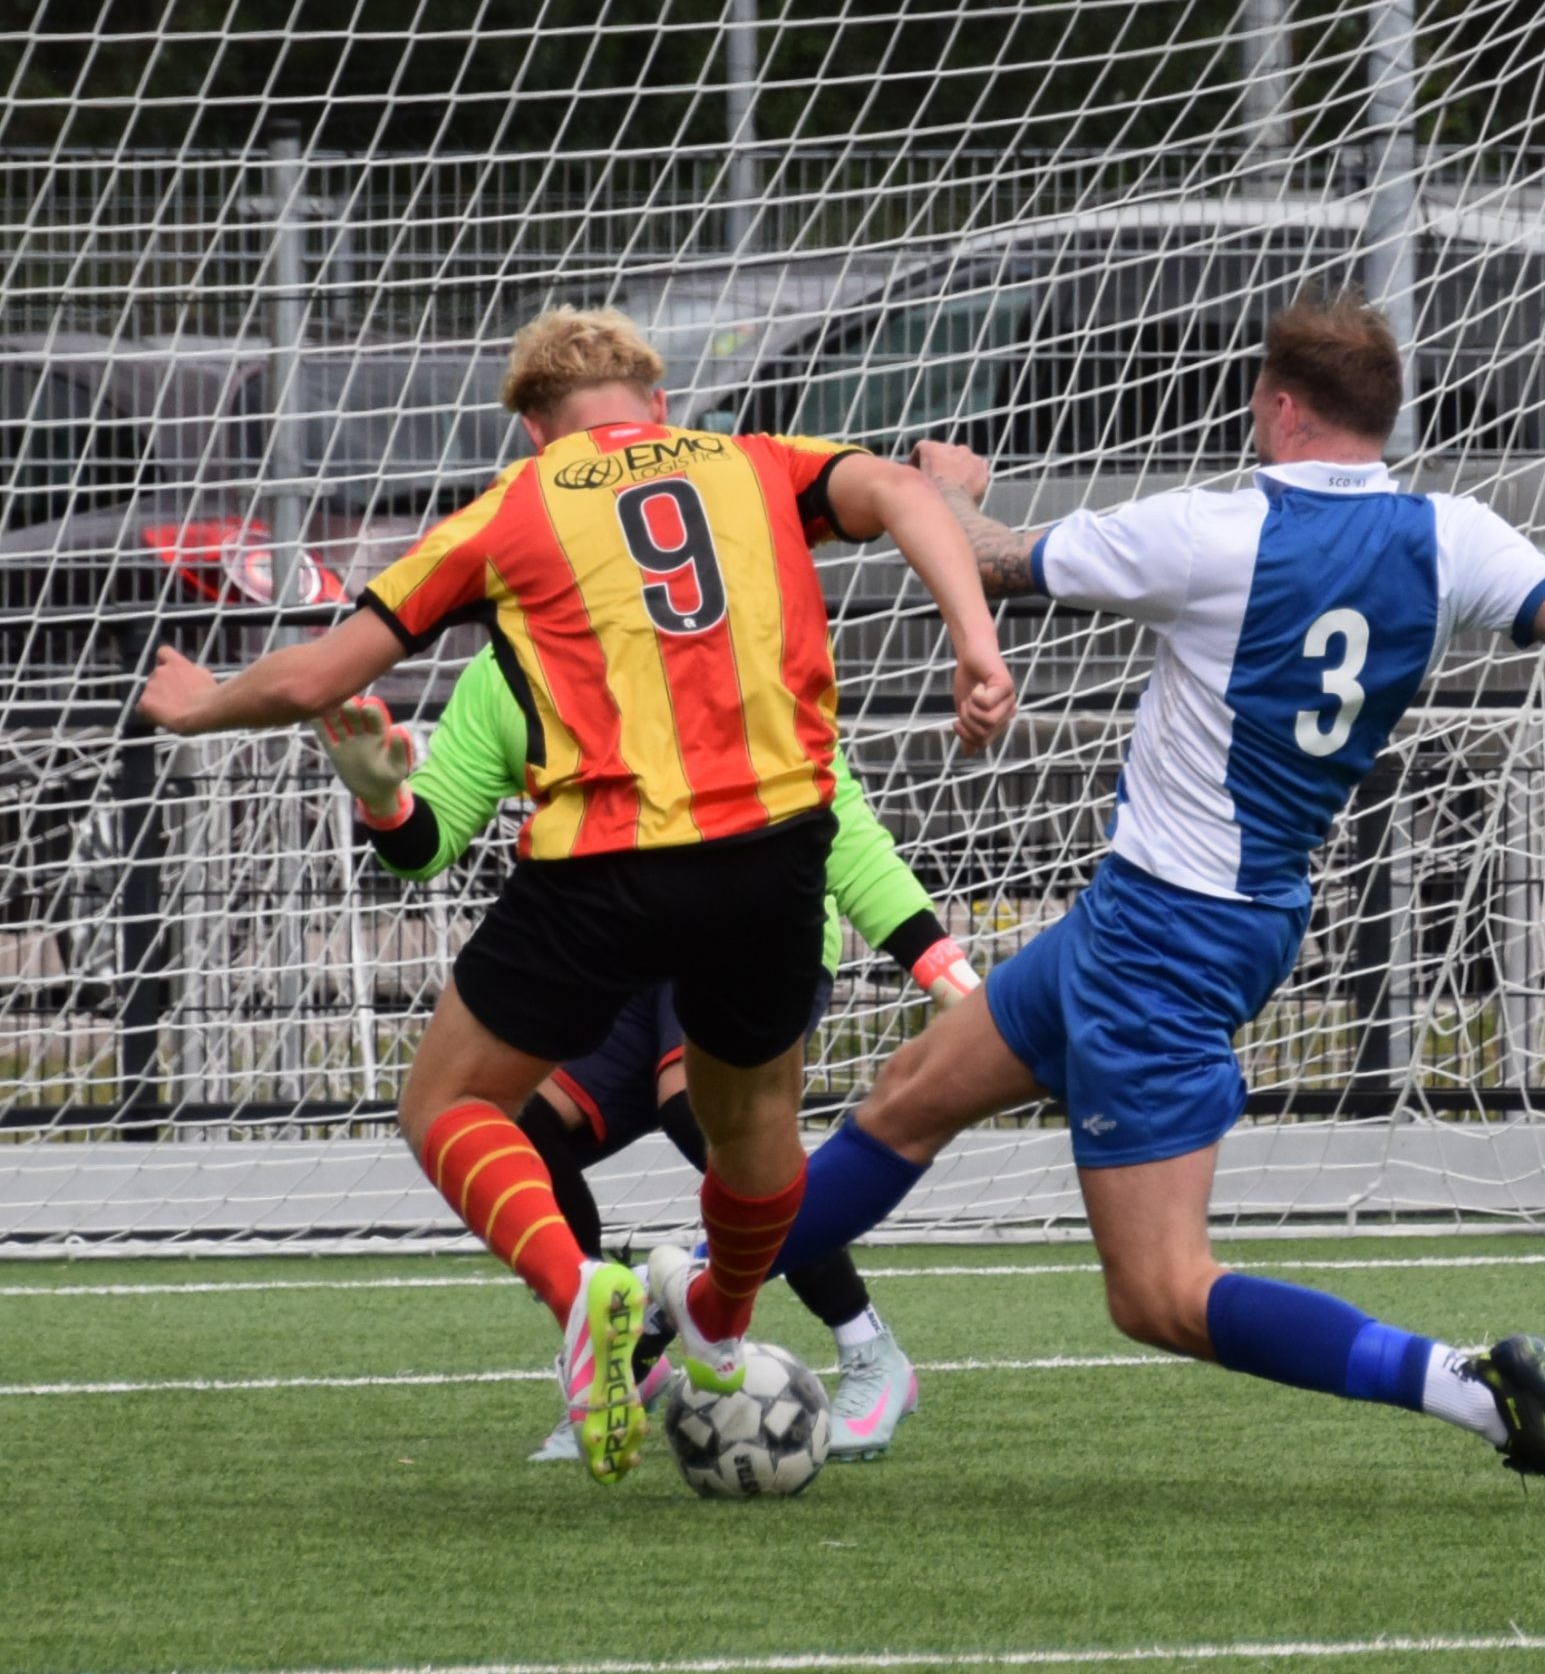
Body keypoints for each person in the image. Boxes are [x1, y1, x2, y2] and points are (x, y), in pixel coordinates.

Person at [718, 290, 1545, 1509]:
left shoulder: (1210, 530)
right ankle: (671, 1303)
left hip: (1166, 938)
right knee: (908, 1098)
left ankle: (1472, 1388)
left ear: (1276, 404)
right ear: (1383, 413)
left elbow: (993, 559)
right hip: (1196, 914)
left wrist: (939, 486)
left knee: (1159, 1292)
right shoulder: (1455, 535)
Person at [139, 306, 1014, 1486]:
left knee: (449, 1104)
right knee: (750, 1126)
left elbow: (316, 676)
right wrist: (976, 643)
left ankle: (581, 1289)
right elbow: (908, 493)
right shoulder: (755, 463)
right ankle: (715, 1321)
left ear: (533, 428)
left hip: (606, 868)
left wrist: (200, 703)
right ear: (657, 402)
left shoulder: (510, 509)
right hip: (771, 855)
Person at [314, 660, 973, 1461]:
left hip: (751, 933)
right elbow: (430, 841)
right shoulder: (507, 668)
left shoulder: (723, 639)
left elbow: (840, 822)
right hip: (621, 950)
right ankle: (617, 1357)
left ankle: (869, 1347)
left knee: (697, 1109)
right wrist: (386, 802)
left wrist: (944, 969)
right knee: (518, 1122)